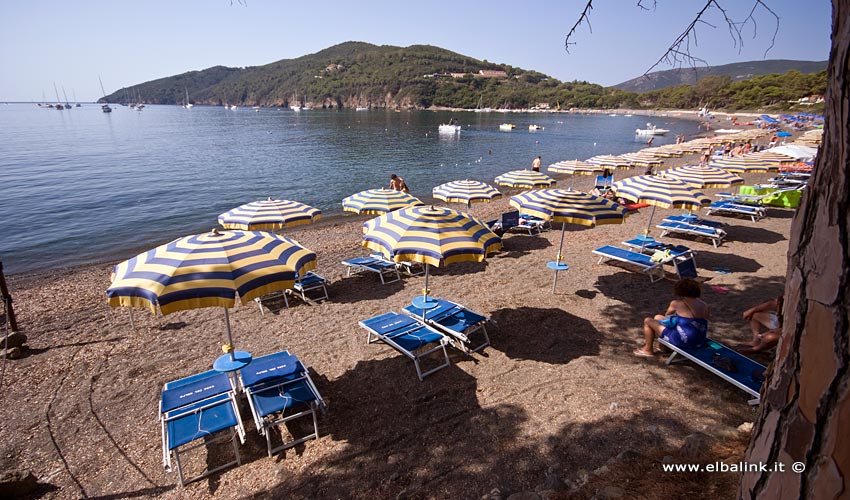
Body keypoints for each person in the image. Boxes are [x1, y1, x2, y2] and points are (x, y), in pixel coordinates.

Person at [634, 278, 710, 357]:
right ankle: (662, 346)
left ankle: (648, 350)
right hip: (699, 341)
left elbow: (667, 316)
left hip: (682, 341)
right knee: (658, 317)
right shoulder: (704, 305)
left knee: (648, 321)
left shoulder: (676, 303)